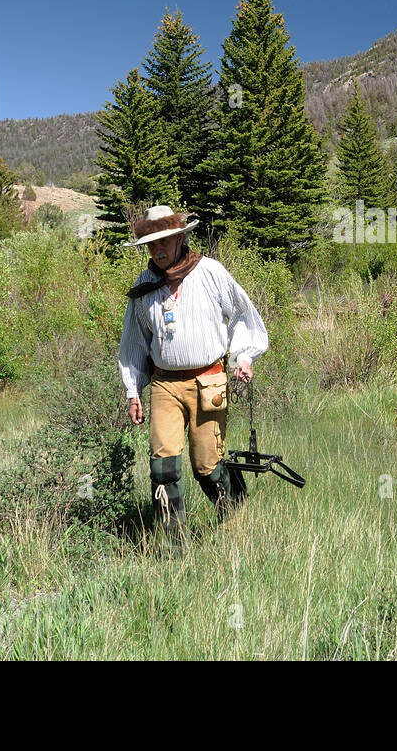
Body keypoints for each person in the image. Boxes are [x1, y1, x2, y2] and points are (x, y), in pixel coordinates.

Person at [116, 206, 268, 542]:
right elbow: (134, 341)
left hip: (208, 381)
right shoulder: (145, 287)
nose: (158, 249)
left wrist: (243, 356)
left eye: (165, 240)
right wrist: (132, 390)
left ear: (180, 237)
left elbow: (242, 313)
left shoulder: (209, 273)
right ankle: (174, 545)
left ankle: (233, 507)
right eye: (151, 244)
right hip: (164, 385)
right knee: (162, 468)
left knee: (207, 467)